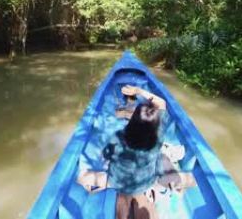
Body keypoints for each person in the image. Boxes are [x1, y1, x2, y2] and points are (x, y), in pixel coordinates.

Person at [78, 85, 195, 219]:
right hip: (146, 183)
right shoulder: (158, 137)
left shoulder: (119, 137)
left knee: (82, 177)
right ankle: (143, 196)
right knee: (184, 177)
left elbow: (106, 155)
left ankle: (125, 197)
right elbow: (162, 103)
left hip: (117, 182)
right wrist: (139, 91)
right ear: (156, 125)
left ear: (132, 121)